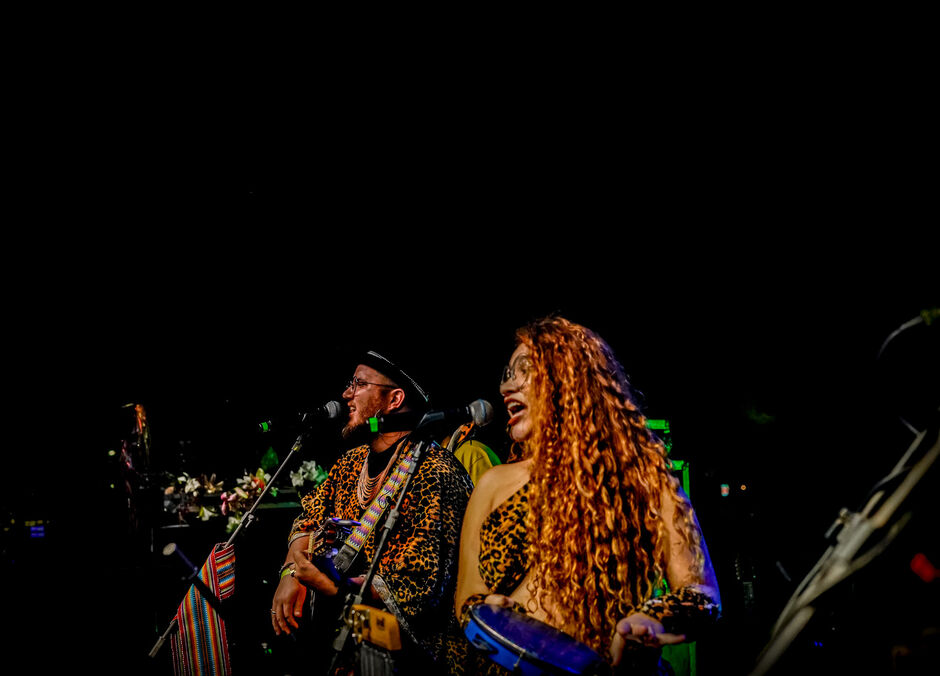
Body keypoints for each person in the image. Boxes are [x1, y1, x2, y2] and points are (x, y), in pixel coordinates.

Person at [454, 316, 721, 675]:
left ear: (569, 378)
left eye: (525, 370)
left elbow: (701, 595)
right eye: (507, 374)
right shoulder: (492, 484)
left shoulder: (644, 478)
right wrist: (483, 610)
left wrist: (652, 619)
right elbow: (467, 593)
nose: (507, 386)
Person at [272, 350, 474, 674]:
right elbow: (309, 516)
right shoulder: (351, 461)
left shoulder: (435, 472)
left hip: (409, 658)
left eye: (359, 384)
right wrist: (289, 573)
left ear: (394, 399)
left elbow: (421, 587)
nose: (346, 394)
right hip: (341, 645)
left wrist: (332, 587)